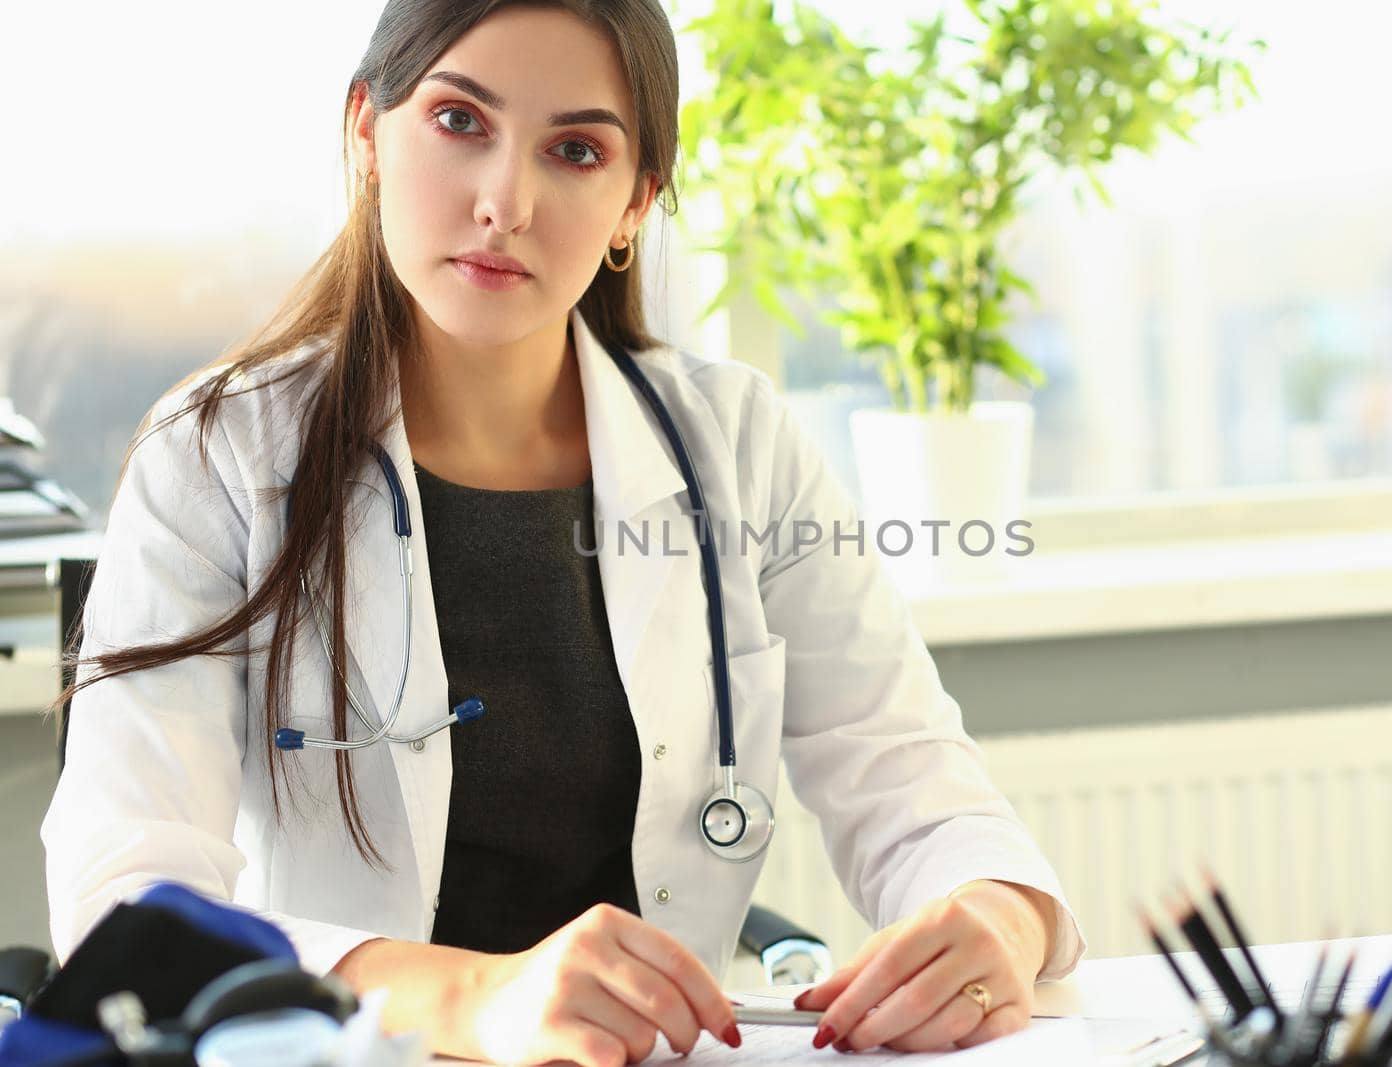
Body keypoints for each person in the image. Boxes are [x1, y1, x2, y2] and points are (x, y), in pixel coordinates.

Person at [39, 1, 1085, 1063]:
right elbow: (126, 905)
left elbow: (910, 777)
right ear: (366, 132)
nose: (506, 202)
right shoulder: (215, 454)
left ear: (635, 203)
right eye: (458, 122)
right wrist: (476, 996)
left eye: (575, 150)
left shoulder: (738, 440)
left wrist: (998, 916)